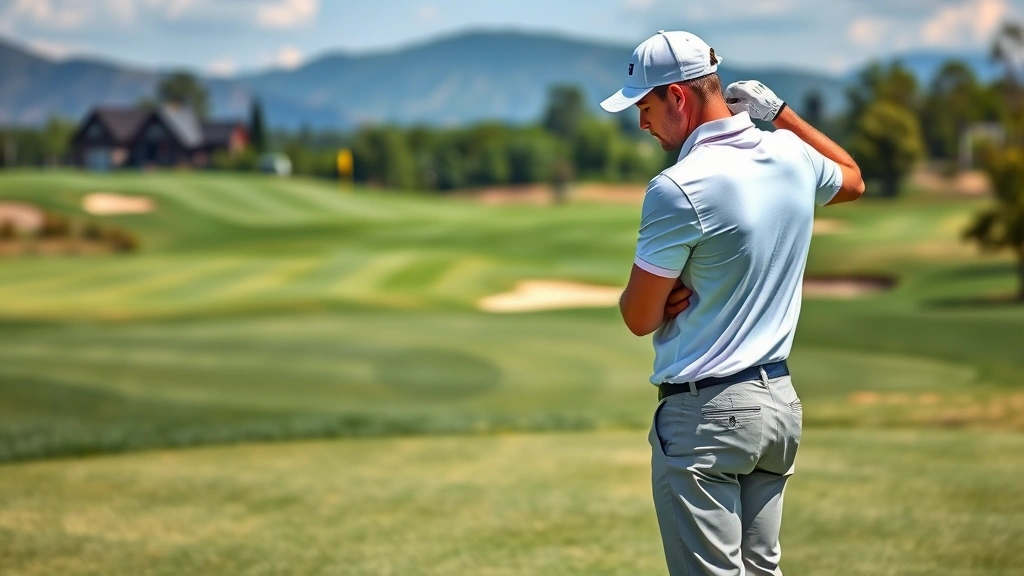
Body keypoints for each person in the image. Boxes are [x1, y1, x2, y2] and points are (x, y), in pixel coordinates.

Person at [599, 31, 865, 575]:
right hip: (779, 406)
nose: (642, 123)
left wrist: (655, 297)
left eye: (645, 107)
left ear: (677, 97)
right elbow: (854, 180)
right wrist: (782, 114)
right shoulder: (791, 154)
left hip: (708, 416)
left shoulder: (678, 187)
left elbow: (637, 317)